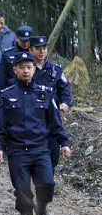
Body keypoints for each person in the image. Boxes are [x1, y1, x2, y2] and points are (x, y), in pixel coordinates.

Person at [0, 52, 71, 215]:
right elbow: (0, 127)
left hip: (40, 149)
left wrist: (64, 143)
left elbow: (55, 123)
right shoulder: (7, 96)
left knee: (47, 184)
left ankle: (42, 208)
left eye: (29, 67)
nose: (26, 71)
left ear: (34, 69)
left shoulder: (45, 93)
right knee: (23, 192)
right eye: (21, 67)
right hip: (17, 152)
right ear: (15, 70)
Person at [30, 35, 73, 171]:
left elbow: (64, 88)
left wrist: (65, 102)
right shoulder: (26, 69)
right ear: (31, 50)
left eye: (44, 48)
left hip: (52, 116)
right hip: (32, 116)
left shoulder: (56, 69)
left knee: (53, 153)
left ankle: (48, 181)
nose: (42, 51)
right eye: (38, 48)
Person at [0, 25, 33, 97]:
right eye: (23, 41)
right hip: (12, 91)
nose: (25, 44)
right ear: (16, 38)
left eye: (28, 41)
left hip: (31, 92)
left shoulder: (35, 54)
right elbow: (1, 77)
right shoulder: (8, 54)